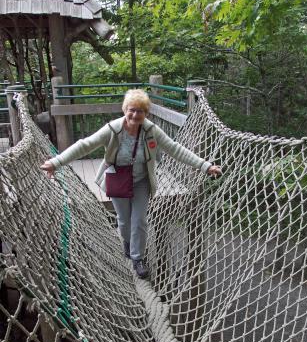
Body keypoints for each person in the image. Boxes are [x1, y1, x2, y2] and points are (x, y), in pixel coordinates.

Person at [41, 89, 221, 279]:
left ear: (147, 113)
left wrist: (205, 166)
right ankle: (127, 242)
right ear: (124, 110)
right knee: (124, 220)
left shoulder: (150, 130)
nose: (136, 115)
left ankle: (138, 258)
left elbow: (175, 149)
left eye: (141, 111)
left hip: (141, 181)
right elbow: (85, 145)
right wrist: (56, 162)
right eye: (132, 110)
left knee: (139, 220)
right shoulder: (113, 129)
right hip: (118, 178)